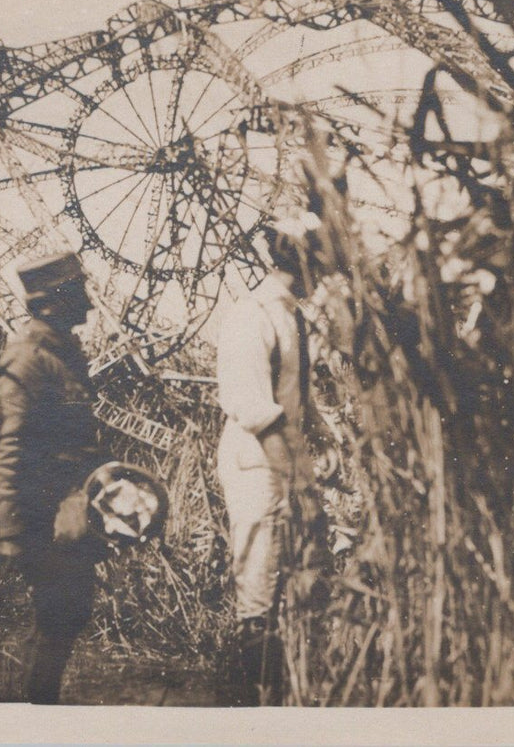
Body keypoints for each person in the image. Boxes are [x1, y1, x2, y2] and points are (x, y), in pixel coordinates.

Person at [0, 250, 107, 704]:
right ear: (52, 303)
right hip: (40, 516)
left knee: (66, 615)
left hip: (65, 514)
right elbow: (1, 449)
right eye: (78, 293)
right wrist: (8, 529)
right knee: (57, 616)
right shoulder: (30, 359)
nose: (88, 302)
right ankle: (35, 712)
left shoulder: (62, 356)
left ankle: (37, 706)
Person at [213, 214, 328, 706]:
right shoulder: (252, 314)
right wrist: (296, 480)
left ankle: (284, 691)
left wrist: (323, 438)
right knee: (258, 585)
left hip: (282, 461)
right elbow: (257, 410)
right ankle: (252, 704)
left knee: (292, 573)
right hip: (257, 465)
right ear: (303, 260)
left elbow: (294, 395)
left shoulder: (290, 314)